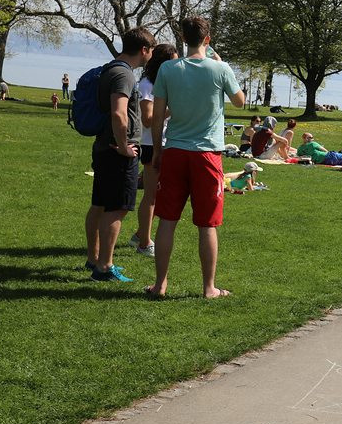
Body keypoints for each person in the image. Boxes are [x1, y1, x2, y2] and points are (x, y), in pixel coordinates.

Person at [147, 17, 245, 299]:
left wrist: (157, 151)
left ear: (183, 37)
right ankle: (208, 288)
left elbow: (157, 118)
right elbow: (240, 101)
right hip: (207, 154)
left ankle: (160, 285)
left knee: (167, 220)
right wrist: (223, 64)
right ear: (207, 39)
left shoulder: (167, 68)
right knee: (207, 223)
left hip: (175, 151)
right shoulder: (220, 68)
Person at [84, 28, 155, 281]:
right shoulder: (124, 75)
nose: (152, 55)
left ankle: (94, 259)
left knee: (100, 205)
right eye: (151, 50)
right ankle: (104, 267)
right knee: (118, 209)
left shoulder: (110, 68)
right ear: (144, 50)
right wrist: (124, 145)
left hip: (104, 147)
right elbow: (118, 113)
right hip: (117, 152)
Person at [131, 43, 179, 257]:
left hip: (162, 144)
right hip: (151, 146)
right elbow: (148, 120)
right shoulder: (147, 85)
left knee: (158, 196)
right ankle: (144, 243)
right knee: (150, 197)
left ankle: (140, 234)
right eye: (173, 62)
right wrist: (173, 108)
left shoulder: (161, 83)